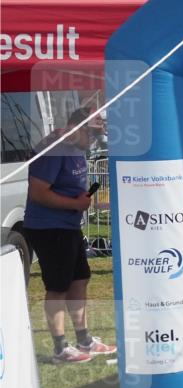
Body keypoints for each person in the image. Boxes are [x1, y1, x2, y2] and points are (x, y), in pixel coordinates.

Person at [23, 107, 116, 364]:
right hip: (49, 227)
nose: (95, 142)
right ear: (79, 128)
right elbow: (38, 192)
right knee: (58, 287)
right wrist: (74, 205)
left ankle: (83, 339)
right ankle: (60, 348)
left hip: (68, 225)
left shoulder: (76, 147)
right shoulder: (56, 147)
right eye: (94, 136)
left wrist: (82, 200)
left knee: (80, 280)